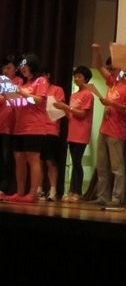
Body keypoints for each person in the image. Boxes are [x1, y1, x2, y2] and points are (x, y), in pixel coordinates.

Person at [88, 44, 126, 208]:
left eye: (113, 68)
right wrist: (97, 51)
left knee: (117, 167)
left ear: (121, 69)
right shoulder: (111, 83)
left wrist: (111, 104)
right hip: (104, 129)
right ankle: (102, 196)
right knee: (102, 166)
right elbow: (98, 66)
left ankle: (117, 197)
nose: (110, 71)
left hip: (117, 131)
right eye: (110, 68)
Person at [4, 53, 49, 203]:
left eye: (24, 65)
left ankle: (32, 193)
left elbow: (38, 100)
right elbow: (18, 104)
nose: (22, 69)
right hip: (19, 127)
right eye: (21, 66)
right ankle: (20, 192)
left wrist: (21, 93)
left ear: (32, 65)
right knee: (19, 160)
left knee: (33, 159)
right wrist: (9, 96)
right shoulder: (23, 84)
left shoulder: (40, 81)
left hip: (34, 127)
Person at [54, 65, 94, 202]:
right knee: (74, 161)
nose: (76, 79)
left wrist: (66, 107)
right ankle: (71, 191)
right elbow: (71, 115)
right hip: (72, 132)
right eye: (75, 76)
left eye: (79, 76)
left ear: (86, 79)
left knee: (77, 162)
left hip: (82, 132)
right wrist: (61, 108)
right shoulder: (74, 95)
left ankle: (78, 192)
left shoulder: (88, 94)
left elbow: (82, 114)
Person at [38, 67, 65, 202]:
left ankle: (53, 190)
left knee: (50, 161)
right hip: (37, 129)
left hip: (51, 129)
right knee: (38, 161)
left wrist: (47, 101)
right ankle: (39, 189)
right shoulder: (36, 89)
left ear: (48, 75)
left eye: (43, 76)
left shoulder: (57, 90)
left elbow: (60, 108)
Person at [0, 53, 22, 199]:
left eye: (9, 68)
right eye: (4, 68)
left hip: (11, 125)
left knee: (7, 158)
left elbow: (16, 100)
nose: (5, 71)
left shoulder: (19, 82)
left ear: (16, 69)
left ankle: (4, 187)